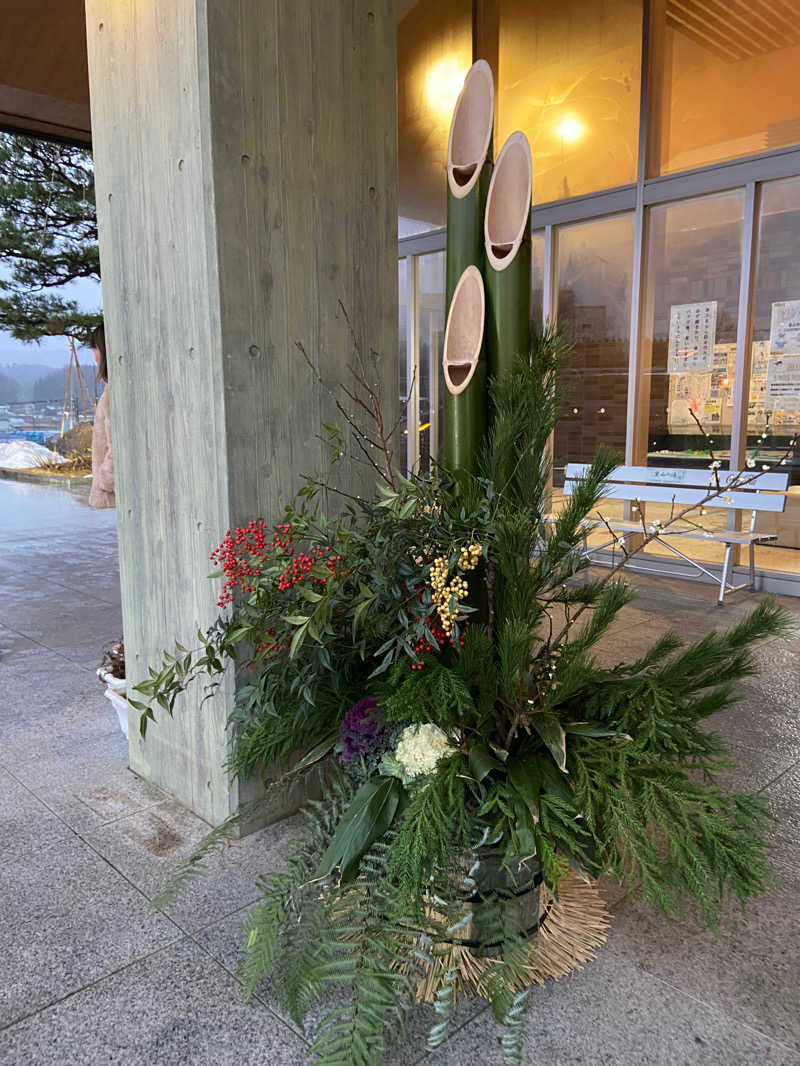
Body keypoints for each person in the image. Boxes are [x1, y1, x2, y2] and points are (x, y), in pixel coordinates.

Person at [89, 321, 115, 509]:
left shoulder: (114, 393)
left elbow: (120, 447)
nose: (95, 358)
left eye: (95, 349)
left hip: (119, 492)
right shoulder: (114, 389)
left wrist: (105, 479)